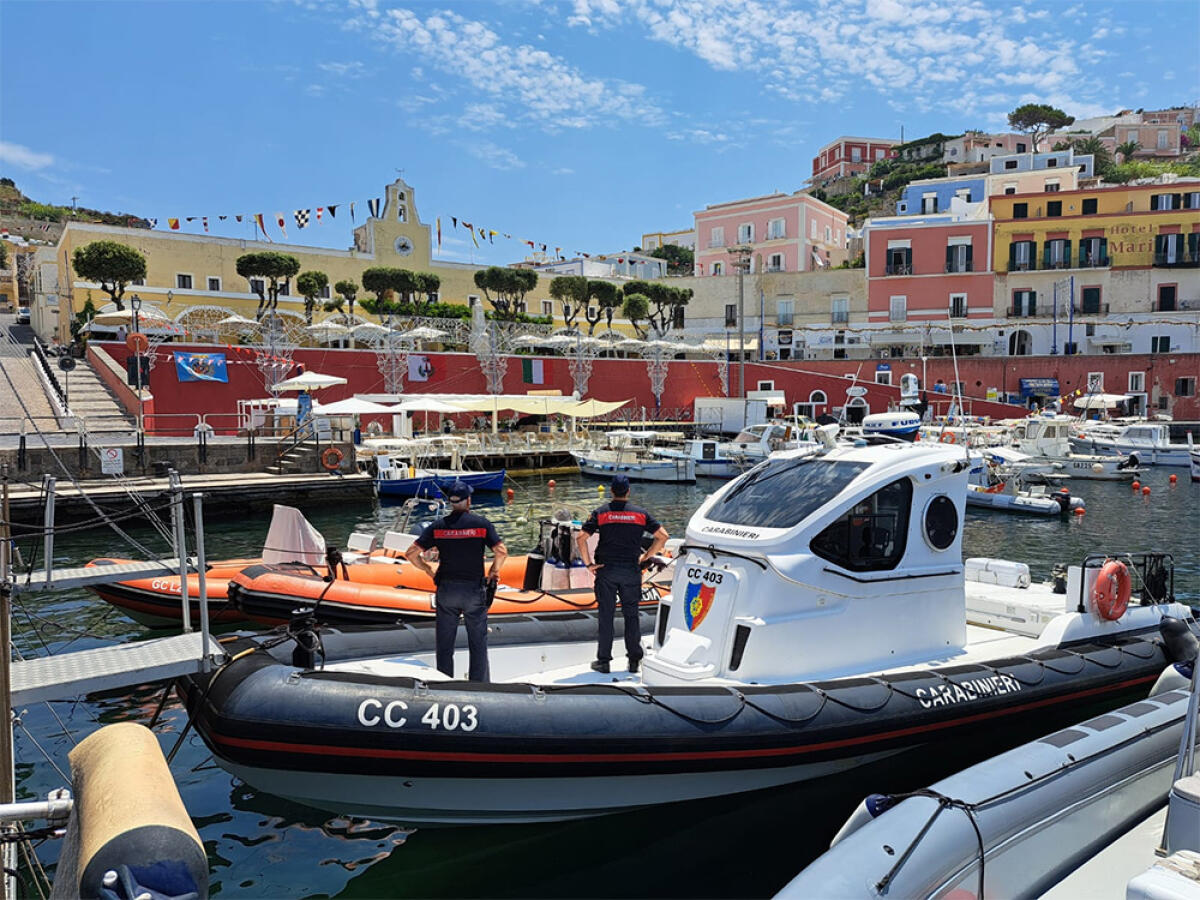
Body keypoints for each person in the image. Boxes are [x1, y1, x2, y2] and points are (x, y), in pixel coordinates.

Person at [405, 481, 507, 681]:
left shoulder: (438, 527)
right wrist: (493, 572)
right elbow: (501, 552)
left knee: (444, 644)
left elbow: (411, 553)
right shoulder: (481, 525)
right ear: (468, 501)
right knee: (478, 642)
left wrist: (428, 570)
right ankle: (479, 686)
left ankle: (444, 684)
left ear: (451, 502)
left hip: (447, 589)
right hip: (473, 590)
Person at [575, 474, 669, 675]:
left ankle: (604, 661)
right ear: (628, 491)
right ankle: (634, 660)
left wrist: (588, 564)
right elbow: (663, 536)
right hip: (631, 570)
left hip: (606, 570)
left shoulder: (601, 513)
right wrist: (646, 556)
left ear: (611, 491)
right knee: (631, 615)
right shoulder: (641, 514)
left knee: (606, 615)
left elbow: (581, 538)